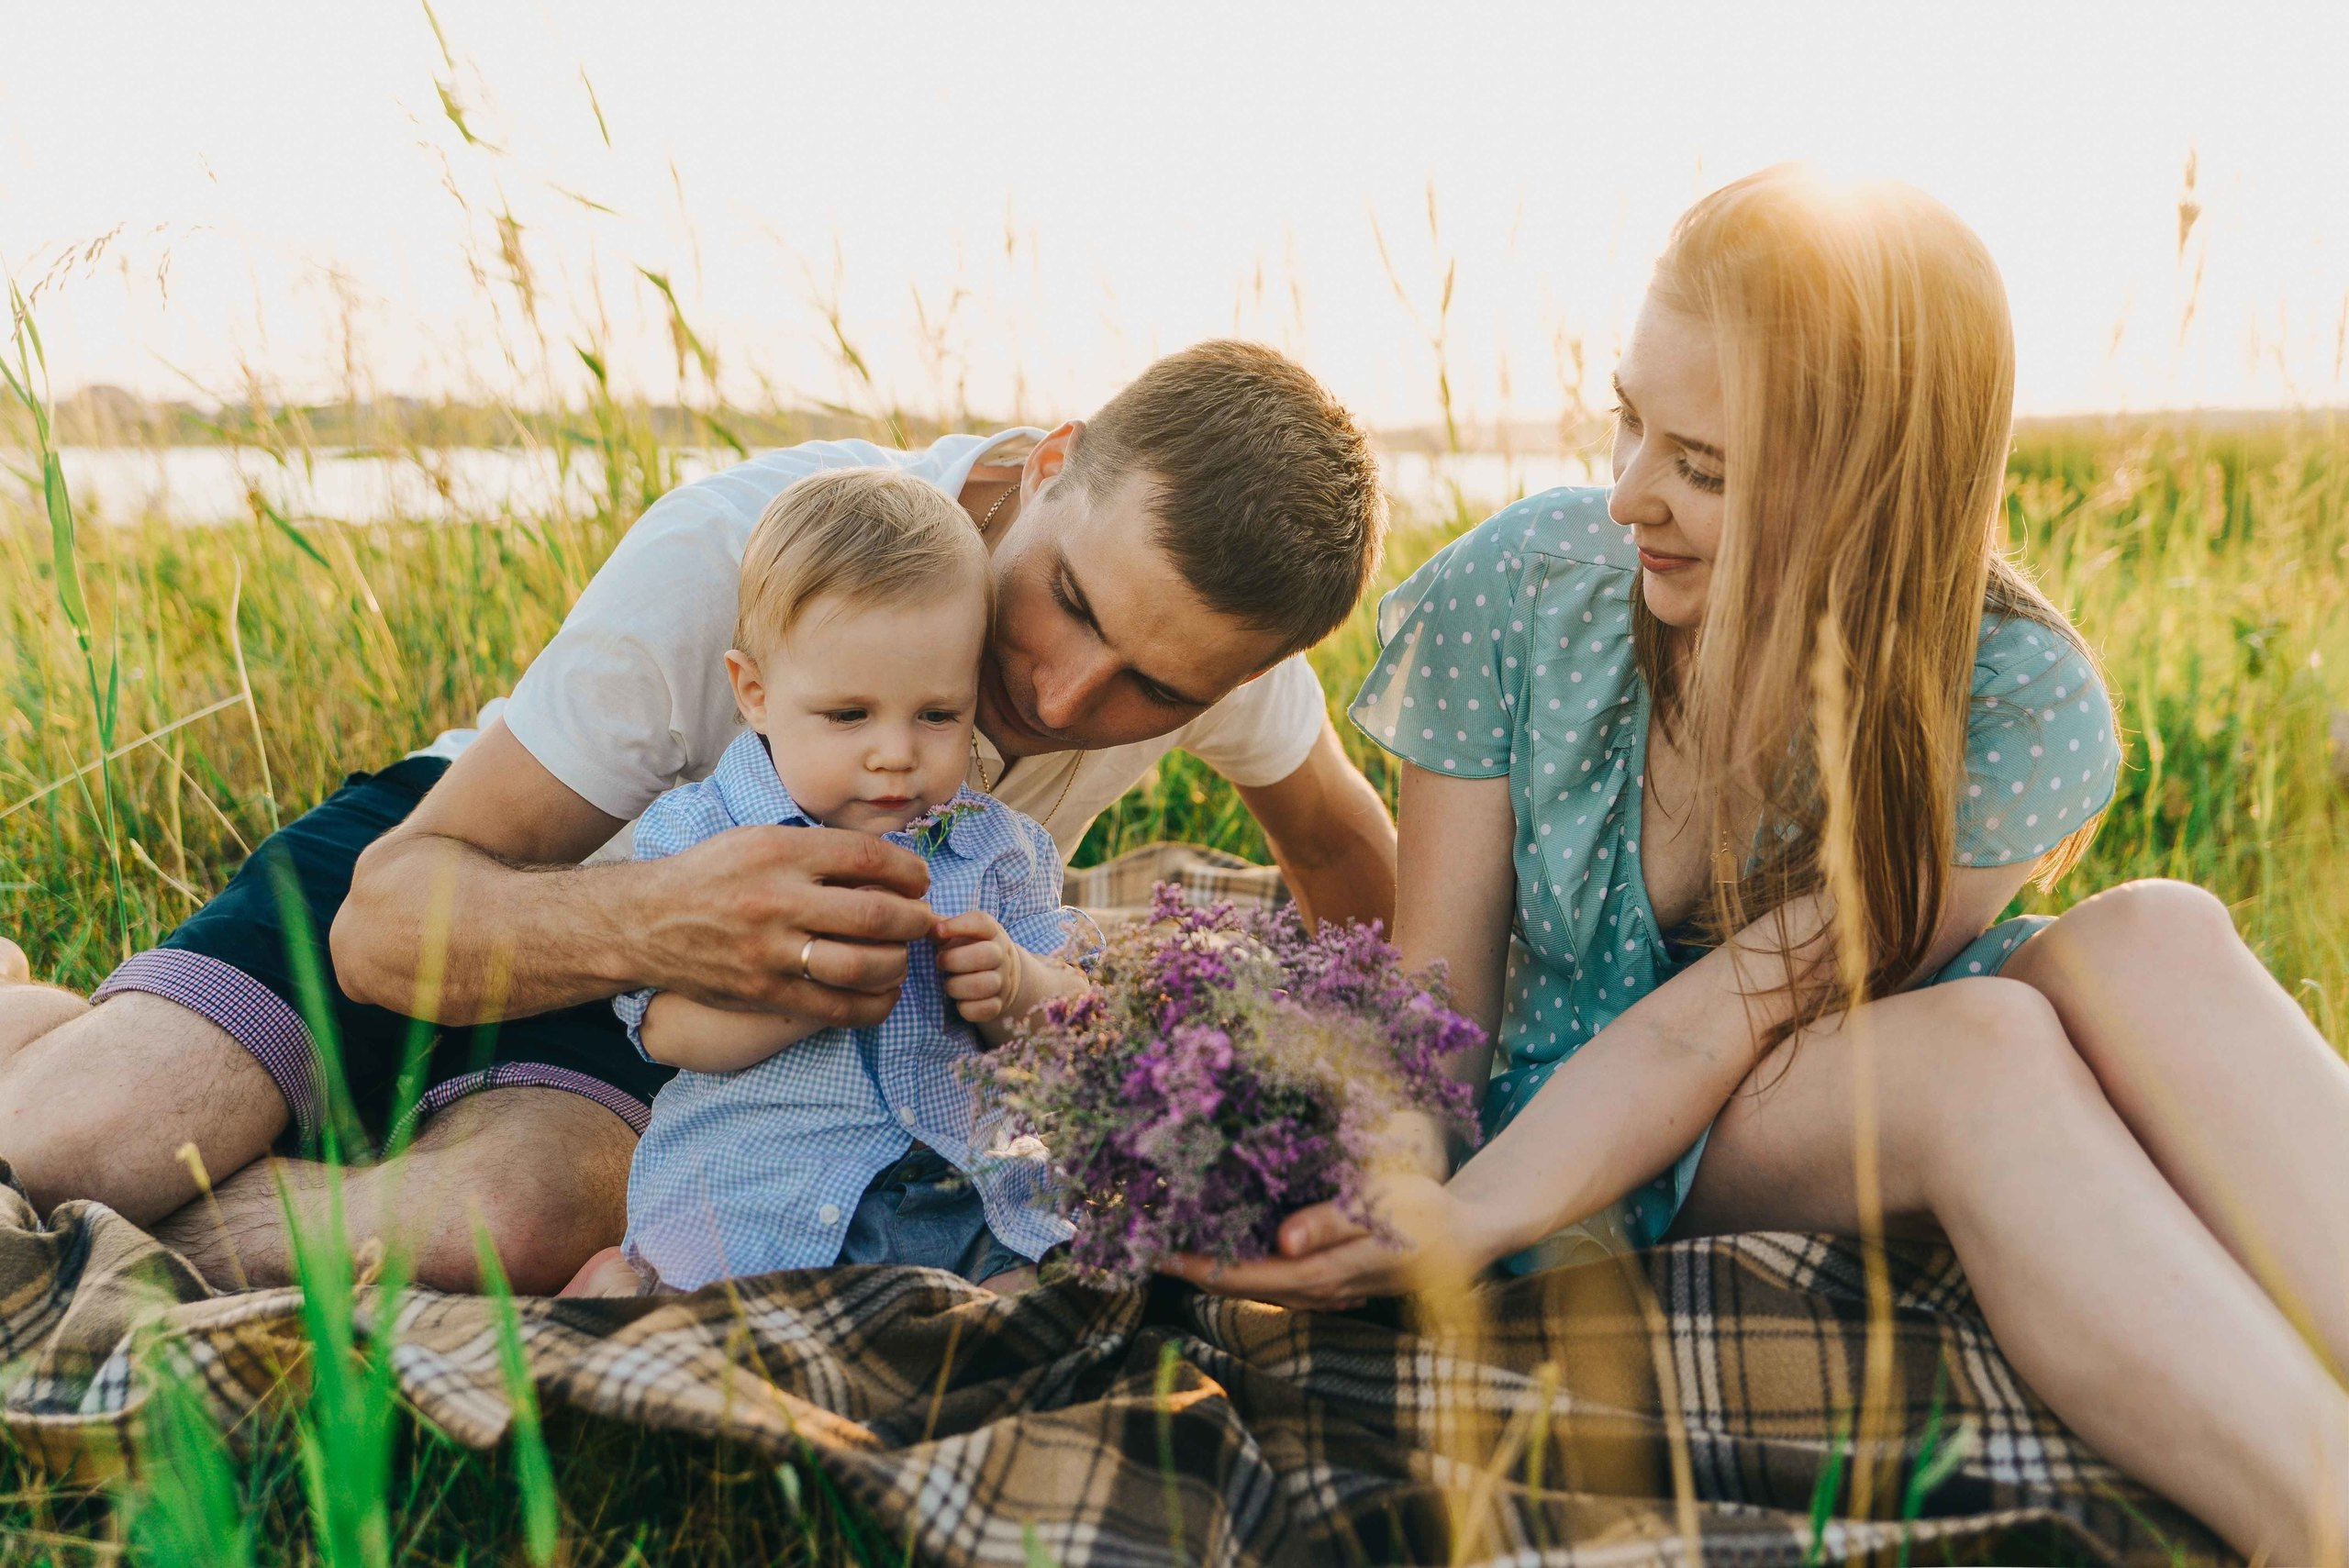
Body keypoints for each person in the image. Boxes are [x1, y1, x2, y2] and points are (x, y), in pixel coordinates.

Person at [1169, 169, 2349, 1561]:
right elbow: (1442, 1008)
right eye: (1627, 423)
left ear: (1867, 492)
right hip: (1604, 1105)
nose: (1628, 497)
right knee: (1986, 1043)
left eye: (1704, 469)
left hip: (1788, 1050)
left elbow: (1734, 1012)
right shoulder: (1526, 594)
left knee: (2155, 928)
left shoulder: (2015, 700)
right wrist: (1437, 1191)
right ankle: (2317, 1517)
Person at [0, 339, 1395, 1296]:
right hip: (458, 874)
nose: (1064, 688)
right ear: (1051, 459)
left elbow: (1351, 863)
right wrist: (672, 916)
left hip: (656, 1049)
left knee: (517, 1223)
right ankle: (78, 1055)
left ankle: (116, 1066)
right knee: (61, 1149)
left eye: (1153, 687)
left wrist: (1396, 1132)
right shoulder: (750, 549)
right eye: (1073, 604)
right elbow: (387, 916)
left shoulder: (1216, 658)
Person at [569, 469, 1093, 1299]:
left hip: (957, 1201)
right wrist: (796, 995)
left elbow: (1072, 1034)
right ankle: (614, 1285)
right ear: (757, 695)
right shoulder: (701, 837)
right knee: (690, 1331)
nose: (895, 752)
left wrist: (1019, 984)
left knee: (1039, 1315)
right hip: (755, 1204)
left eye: (937, 714)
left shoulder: (1001, 851)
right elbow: (664, 1030)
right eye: (849, 715)